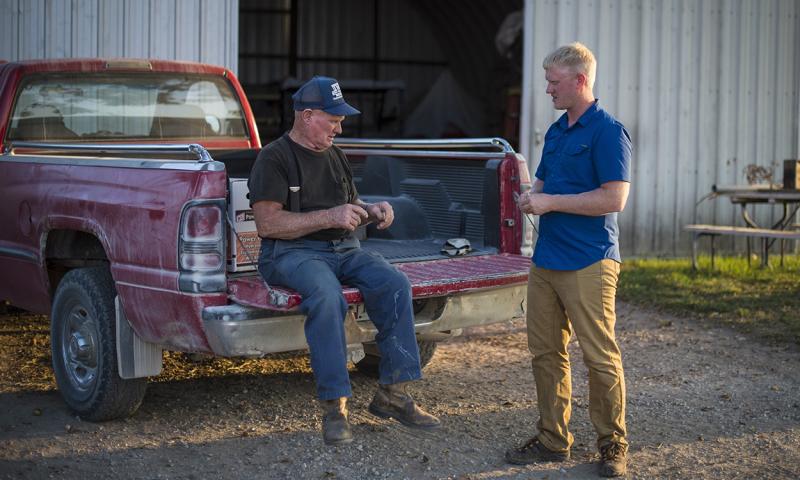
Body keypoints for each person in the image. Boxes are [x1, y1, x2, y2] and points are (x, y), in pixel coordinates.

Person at [248, 76, 440, 446]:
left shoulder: (335, 155)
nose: (340, 126)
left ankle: (394, 393)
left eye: (341, 119)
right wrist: (329, 217)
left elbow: (349, 207)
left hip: (344, 249)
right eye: (333, 119)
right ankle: (334, 407)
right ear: (306, 116)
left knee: (395, 284)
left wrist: (372, 211)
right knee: (326, 297)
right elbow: (267, 224)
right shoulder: (274, 157)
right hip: (292, 252)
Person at [505, 43, 632, 477]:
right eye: (547, 81)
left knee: (599, 356)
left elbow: (614, 198)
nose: (547, 90)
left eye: (554, 82)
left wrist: (550, 201)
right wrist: (530, 196)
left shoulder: (608, 131)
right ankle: (552, 439)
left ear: (580, 81)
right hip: (547, 259)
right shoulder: (559, 131)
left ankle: (613, 444)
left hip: (590, 261)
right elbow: (542, 183)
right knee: (545, 353)